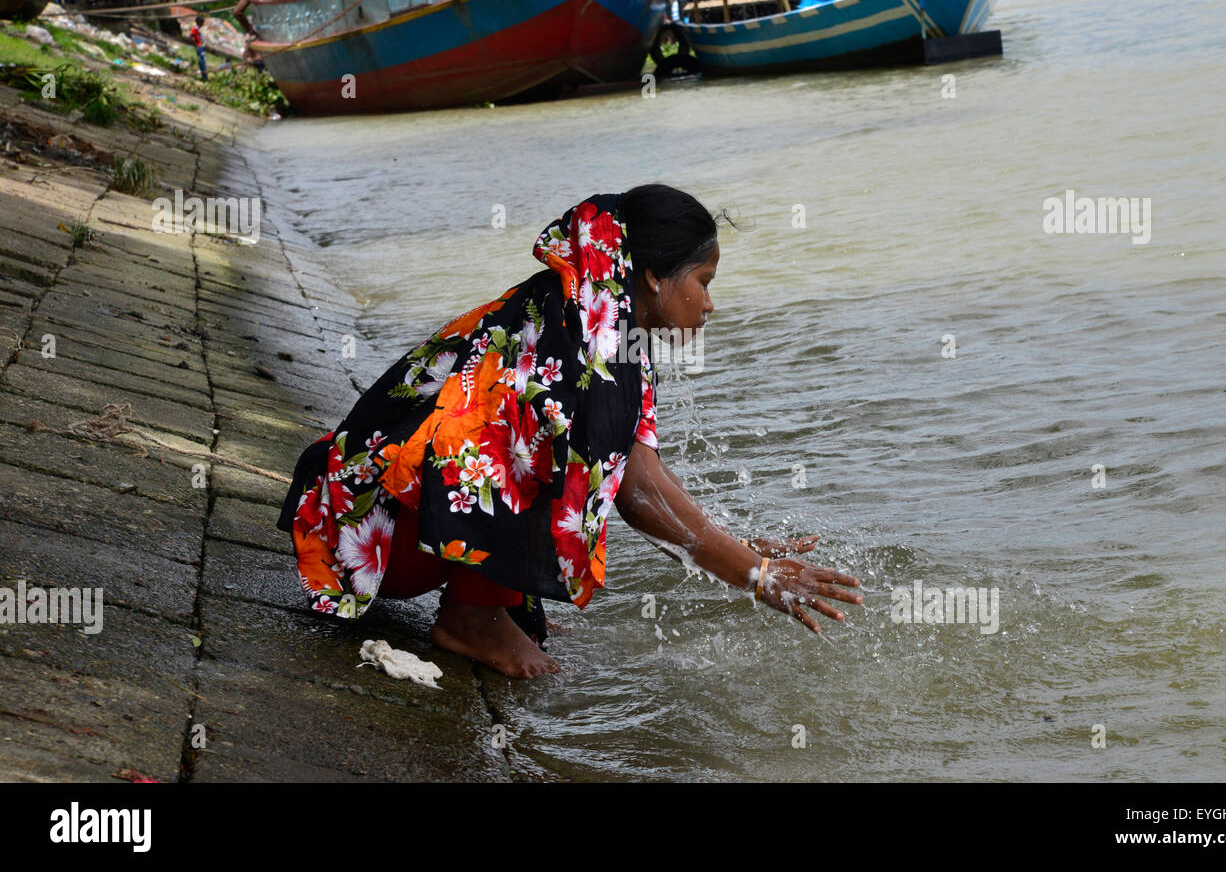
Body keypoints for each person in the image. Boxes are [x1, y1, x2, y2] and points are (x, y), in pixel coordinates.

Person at [278, 186, 863, 678]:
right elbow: (636, 493)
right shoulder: (583, 336)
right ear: (655, 277)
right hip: (377, 544)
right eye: (704, 281)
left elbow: (640, 469)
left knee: (550, 447)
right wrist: (755, 575)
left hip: (363, 513)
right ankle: (471, 618)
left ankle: (490, 600)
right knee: (541, 449)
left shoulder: (593, 316)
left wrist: (733, 546)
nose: (709, 304)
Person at [189, 14, 207, 81]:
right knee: (202, 62)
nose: (203, 24)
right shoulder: (195, 29)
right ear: (199, 22)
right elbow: (191, 36)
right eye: (202, 22)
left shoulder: (198, 29)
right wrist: (195, 43)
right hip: (199, 47)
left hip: (201, 46)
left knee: (203, 62)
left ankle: (204, 77)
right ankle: (205, 77)